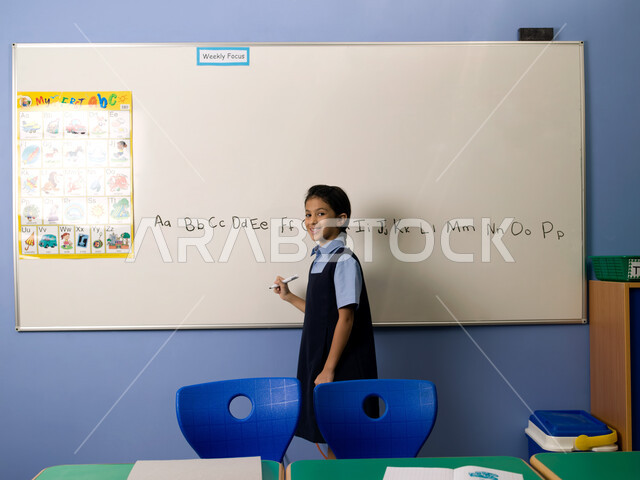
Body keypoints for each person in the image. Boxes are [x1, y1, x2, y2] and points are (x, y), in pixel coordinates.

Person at [272, 185, 378, 454]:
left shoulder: (343, 260)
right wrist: (289, 297)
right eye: (308, 214)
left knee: (343, 434)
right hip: (321, 359)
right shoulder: (319, 259)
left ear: (341, 219)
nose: (312, 221)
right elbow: (322, 314)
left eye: (320, 213)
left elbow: (346, 319)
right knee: (332, 434)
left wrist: (329, 369)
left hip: (341, 362)